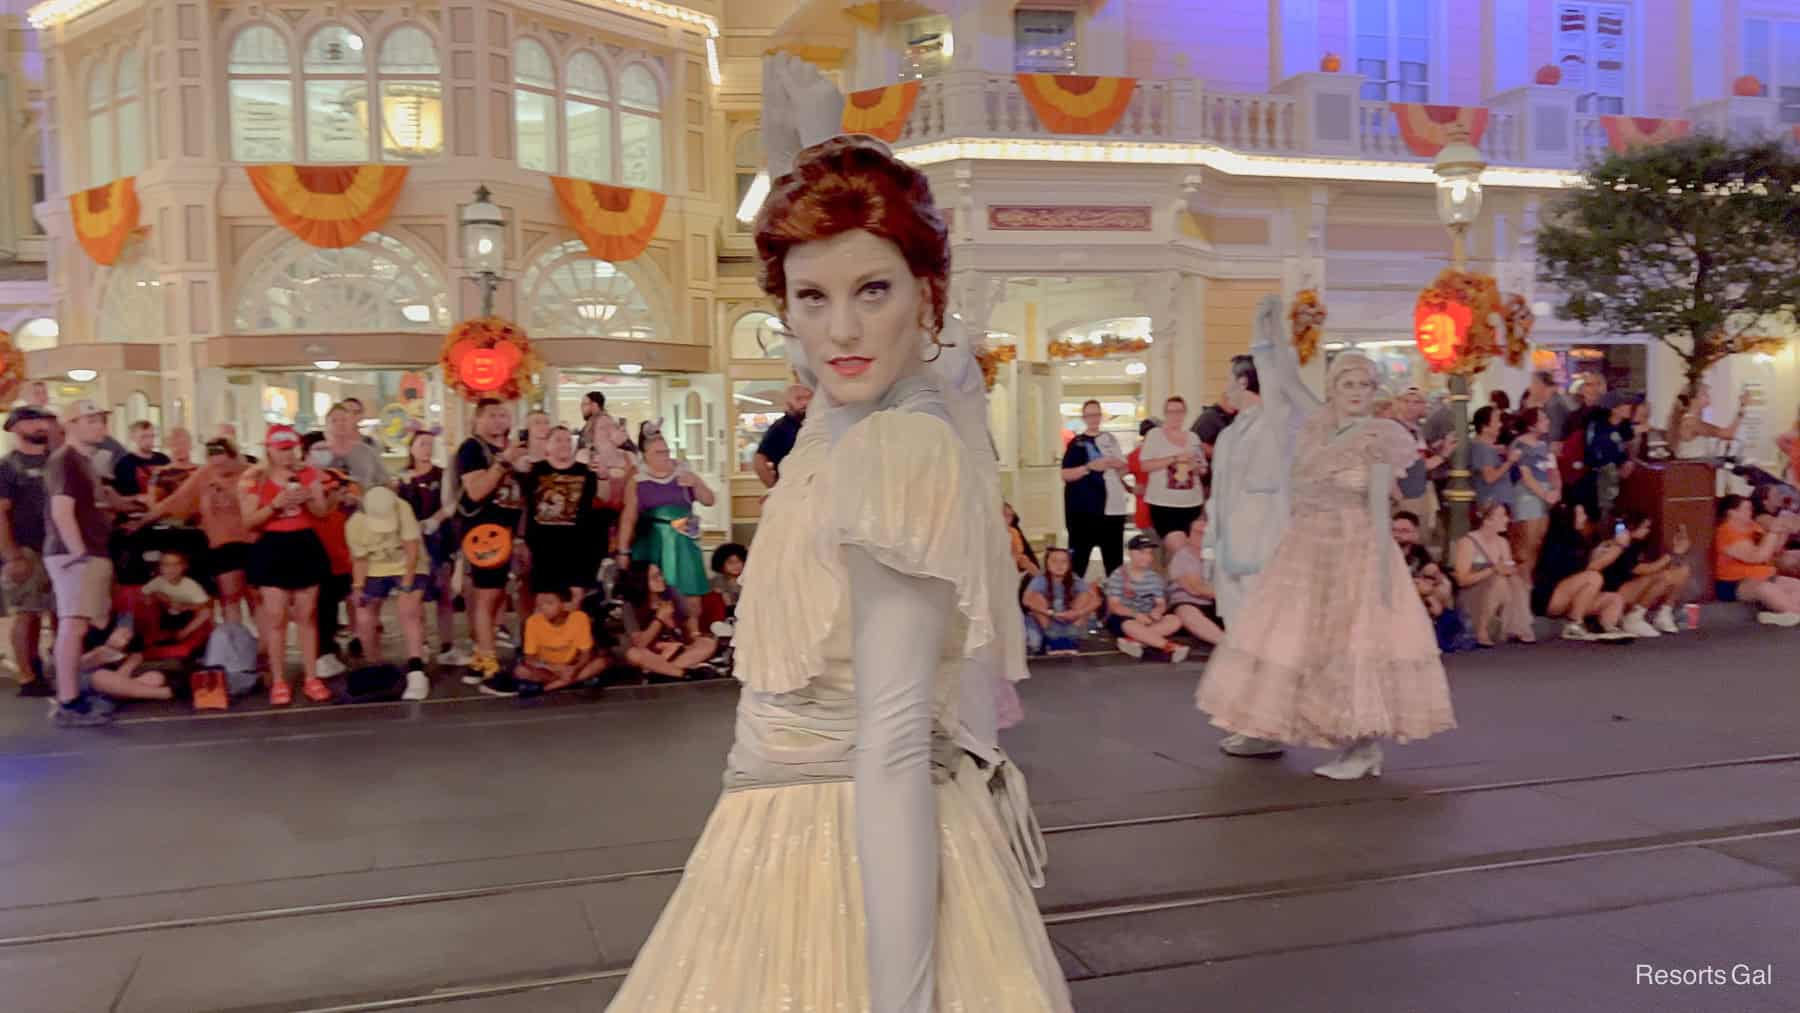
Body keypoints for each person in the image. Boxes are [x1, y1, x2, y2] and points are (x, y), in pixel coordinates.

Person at [608, 132, 1068, 1011]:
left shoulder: (897, 449)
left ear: (927, 295)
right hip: (783, 830)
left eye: (873, 290)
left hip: (841, 844)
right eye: (811, 298)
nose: (840, 330)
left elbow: (892, 747)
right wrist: (803, 152)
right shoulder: (842, 418)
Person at [1196, 352, 1454, 779]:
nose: (1356, 394)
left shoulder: (1376, 437)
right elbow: (1289, 384)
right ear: (1333, 390)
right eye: (1347, 385)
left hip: (1355, 549)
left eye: (1364, 386)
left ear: (1375, 393)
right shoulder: (1318, 428)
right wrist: (1269, 342)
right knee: (1284, 638)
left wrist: (1385, 578)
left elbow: (1378, 508)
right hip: (1305, 547)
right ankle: (1265, 724)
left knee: (1349, 645)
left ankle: (1362, 745)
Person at [44, 401, 124, 726]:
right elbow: (62, 511)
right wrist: (79, 553)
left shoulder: (82, 462)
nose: (99, 424)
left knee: (79, 625)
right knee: (73, 625)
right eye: (91, 419)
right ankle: (68, 700)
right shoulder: (66, 461)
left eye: (101, 418)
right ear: (72, 424)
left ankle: (72, 692)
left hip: (85, 551)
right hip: (75, 554)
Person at [242, 424, 333, 705]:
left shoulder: (309, 474)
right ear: (268, 450)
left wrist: (308, 499)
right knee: (276, 616)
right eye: (280, 450)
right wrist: (275, 505)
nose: (285, 456)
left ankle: (311, 675)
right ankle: (279, 679)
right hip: (273, 547)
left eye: (289, 449)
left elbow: (322, 512)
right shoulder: (255, 478)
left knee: (307, 615)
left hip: (304, 544)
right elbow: (248, 521)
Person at [132, 437, 254, 625]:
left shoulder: (251, 473)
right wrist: (142, 522)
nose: (219, 469)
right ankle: (235, 647)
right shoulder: (205, 474)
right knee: (230, 598)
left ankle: (266, 649)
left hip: (252, 541)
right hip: (222, 543)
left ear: (234, 457)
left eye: (223, 464)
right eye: (214, 464)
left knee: (257, 597)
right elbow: (176, 501)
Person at [454, 398, 527, 688]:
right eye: (493, 415)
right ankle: (489, 665)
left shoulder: (508, 449)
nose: (500, 421)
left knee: (496, 599)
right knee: (486, 598)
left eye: (504, 415)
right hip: (484, 533)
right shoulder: (472, 448)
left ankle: (478, 658)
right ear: (478, 420)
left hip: (507, 532)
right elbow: (476, 491)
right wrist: (504, 462)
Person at [346, 486, 431, 700]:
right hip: (375, 566)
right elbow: (360, 560)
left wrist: (407, 584)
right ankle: (376, 666)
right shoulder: (354, 525)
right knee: (364, 615)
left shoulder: (404, 510)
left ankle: (416, 670)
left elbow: (412, 551)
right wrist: (357, 587)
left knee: (408, 610)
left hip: (408, 563)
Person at [1, 406, 58, 695]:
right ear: (14, 427)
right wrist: (12, 555)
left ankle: (43, 665)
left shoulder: (56, 460)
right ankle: (26, 677)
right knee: (26, 613)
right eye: (32, 421)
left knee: (52, 612)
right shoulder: (7, 467)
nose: (39, 426)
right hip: (26, 550)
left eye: (41, 421)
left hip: (56, 549)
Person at [616, 432, 714, 598]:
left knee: (690, 593)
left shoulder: (682, 472)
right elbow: (628, 518)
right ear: (645, 455)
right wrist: (623, 550)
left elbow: (709, 500)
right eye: (658, 452)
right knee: (658, 592)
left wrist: (696, 483)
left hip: (684, 539)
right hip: (653, 540)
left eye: (666, 451)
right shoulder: (637, 479)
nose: (665, 456)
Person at [1533, 503, 1630, 640]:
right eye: (1580, 514)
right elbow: (1591, 568)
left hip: (1571, 598)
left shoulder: (1578, 539)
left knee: (1614, 599)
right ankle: (1574, 623)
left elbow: (1583, 566)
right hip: (1550, 599)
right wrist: (1619, 547)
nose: (1584, 518)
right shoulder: (1560, 541)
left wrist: (1603, 549)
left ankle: (1607, 628)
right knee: (1594, 578)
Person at [1060, 399, 1130, 579]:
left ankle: (1114, 601)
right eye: (1089, 415)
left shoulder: (1111, 440)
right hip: (1084, 512)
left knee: (1114, 563)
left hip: (1112, 510)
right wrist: (1089, 467)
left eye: (1096, 414)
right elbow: (1065, 474)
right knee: (1078, 562)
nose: (1093, 418)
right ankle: (1074, 599)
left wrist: (1119, 465)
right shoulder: (1077, 444)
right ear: (1084, 417)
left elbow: (1124, 469)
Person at [1452, 502, 1536, 646]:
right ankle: (1481, 630)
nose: (1506, 520)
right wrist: (1492, 570)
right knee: (1499, 581)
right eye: (1502, 516)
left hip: (1499, 591)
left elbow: (1508, 566)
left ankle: (1520, 626)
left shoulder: (1502, 542)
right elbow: (1462, 580)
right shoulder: (1468, 542)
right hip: (1473, 592)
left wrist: (1510, 569)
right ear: (1487, 520)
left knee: (1515, 581)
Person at [616, 560, 717, 680]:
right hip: (651, 654)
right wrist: (659, 619)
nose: (662, 578)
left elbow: (685, 633)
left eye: (660, 574)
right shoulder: (630, 606)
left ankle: (662, 673)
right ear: (642, 582)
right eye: (655, 577)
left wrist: (680, 630)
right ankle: (683, 674)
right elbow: (640, 644)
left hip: (677, 650)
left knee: (708, 643)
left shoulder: (673, 594)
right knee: (633, 654)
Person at [1599, 512, 1691, 638]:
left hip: (1632, 587)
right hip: (1616, 593)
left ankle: (1665, 612)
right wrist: (1673, 553)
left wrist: (1677, 555)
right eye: (1645, 527)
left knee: (1682, 570)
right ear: (1632, 527)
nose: (1648, 531)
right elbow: (1646, 570)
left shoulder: (1638, 544)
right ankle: (1633, 617)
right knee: (1663, 577)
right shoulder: (1622, 546)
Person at [1103, 534, 1191, 663]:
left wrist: (1157, 611)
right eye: (1142, 552)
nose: (1147, 557)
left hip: (1147, 618)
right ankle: (1168, 646)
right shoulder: (1118, 574)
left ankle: (1134, 641)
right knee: (1129, 625)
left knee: (1175, 620)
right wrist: (1135, 615)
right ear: (1130, 553)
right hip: (1125, 617)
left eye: (1149, 553)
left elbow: (1161, 603)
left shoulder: (1154, 578)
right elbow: (1114, 606)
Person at [1714, 495, 1800, 625]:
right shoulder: (1725, 532)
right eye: (1747, 509)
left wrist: (1783, 530)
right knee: (1765, 588)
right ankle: (1792, 612)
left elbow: (1773, 550)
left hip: (1765, 575)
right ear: (1732, 513)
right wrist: (1773, 531)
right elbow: (1756, 556)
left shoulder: (1753, 526)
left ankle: (1783, 615)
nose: (1751, 512)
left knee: (1796, 585)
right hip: (1736, 583)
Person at [1138, 396, 1208, 538]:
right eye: (1171, 412)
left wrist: (1195, 467)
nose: (1175, 416)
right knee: (1176, 545)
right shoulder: (1154, 435)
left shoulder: (1193, 437)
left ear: (1185, 413)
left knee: (1190, 547)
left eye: (1179, 411)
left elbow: (1203, 469)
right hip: (1163, 503)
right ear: (1165, 413)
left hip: (1192, 503)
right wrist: (1174, 459)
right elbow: (1145, 466)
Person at [1507, 406, 1561, 581]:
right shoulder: (1520, 444)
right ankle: (1522, 584)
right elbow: (1527, 476)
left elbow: (1553, 470)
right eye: (1543, 419)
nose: (1548, 422)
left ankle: (1530, 580)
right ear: (1531, 425)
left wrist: (1557, 489)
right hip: (1528, 495)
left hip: (1545, 494)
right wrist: (1545, 495)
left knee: (1539, 541)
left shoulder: (1544, 445)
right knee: (1527, 543)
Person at [517, 591, 607, 691]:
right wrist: (554, 668)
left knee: (601, 662)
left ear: (564, 605)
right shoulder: (532, 621)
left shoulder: (579, 618)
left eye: (549, 603)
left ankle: (549, 687)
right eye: (539, 605)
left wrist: (575, 668)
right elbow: (530, 658)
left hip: (572, 667)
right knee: (521, 671)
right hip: (548, 668)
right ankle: (571, 682)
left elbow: (586, 653)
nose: (544, 608)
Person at [1022, 546, 1100, 656]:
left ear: (1069, 564)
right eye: (1054, 561)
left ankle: (1071, 635)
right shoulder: (1040, 579)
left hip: (1069, 620)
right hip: (1047, 620)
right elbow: (1026, 600)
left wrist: (1077, 613)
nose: (1059, 565)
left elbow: (1096, 601)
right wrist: (1051, 613)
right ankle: (1052, 638)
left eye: (1064, 561)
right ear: (1047, 563)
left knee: (1086, 595)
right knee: (1035, 597)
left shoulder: (1074, 578)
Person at [1164, 514, 1225, 648]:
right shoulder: (1183, 556)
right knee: (1185, 611)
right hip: (1189, 604)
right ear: (1188, 536)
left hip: (1216, 605)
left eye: (1205, 533)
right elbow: (1195, 588)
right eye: (1197, 533)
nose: (1201, 537)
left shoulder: (1220, 555)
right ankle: (1227, 645)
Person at [142, 550, 211, 648]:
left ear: (184, 566)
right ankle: (157, 635)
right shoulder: (157, 582)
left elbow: (205, 604)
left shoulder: (190, 585)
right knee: (148, 603)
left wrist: (185, 607)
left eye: (176, 564)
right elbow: (145, 594)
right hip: (166, 616)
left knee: (206, 612)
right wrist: (160, 596)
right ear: (160, 567)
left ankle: (182, 634)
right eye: (166, 565)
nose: (171, 569)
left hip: (186, 616)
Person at [1667, 382, 1749, 459]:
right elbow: (1728, 434)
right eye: (1704, 393)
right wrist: (1742, 407)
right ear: (1693, 399)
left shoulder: (1689, 420)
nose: (1708, 396)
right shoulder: (1692, 423)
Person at [751, 384, 812, 488]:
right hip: (791, 490)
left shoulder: (818, 424)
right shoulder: (780, 427)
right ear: (788, 403)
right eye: (799, 399)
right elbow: (759, 461)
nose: (805, 403)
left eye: (808, 398)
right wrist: (774, 488)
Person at [318, 402, 389, 489]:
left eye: (344, 420)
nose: (340, 423)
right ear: (327, 426)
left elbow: (385, 482)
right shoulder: (318, 452)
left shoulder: (366, 452)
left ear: (350, 423)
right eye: (334, 421)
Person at [1469, 405, 1517, 517]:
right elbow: (1489, 477)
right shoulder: (1483, 448)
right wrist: (1509, 462)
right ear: (1485, 427)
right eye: (1497, 420)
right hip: (1495, 505)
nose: (1500, 424)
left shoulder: (1481, 446)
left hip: (1494, 503)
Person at [1003, 501, 1040, 578]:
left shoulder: (1013, 532)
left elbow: (1019, 551)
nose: (1008, 519)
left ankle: (1041, 581)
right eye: (1005, 515)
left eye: (1011, 516)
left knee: (1026, 561)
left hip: (1015, 561)